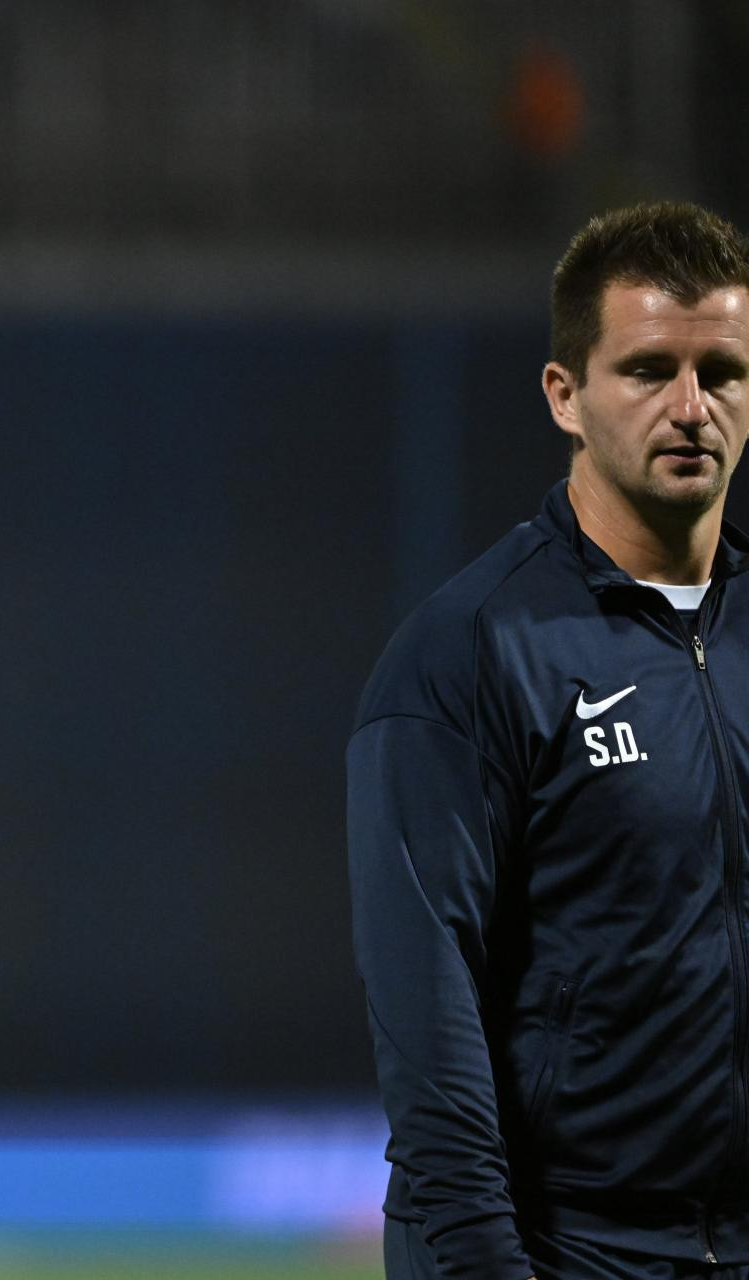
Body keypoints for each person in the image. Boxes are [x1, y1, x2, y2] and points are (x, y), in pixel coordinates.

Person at [349, 200, 749, 1280]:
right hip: (563, 1254)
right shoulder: (466, 655)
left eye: (721, 372)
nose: (691, 407)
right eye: (649, 369)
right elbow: (429, 1041)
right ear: (564, 395)